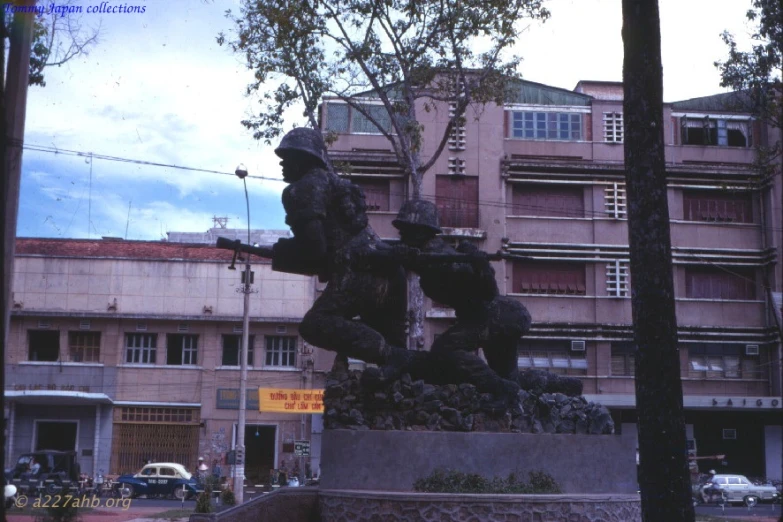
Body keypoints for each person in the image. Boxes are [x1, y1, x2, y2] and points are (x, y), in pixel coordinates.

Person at [390, 199, 581, 396]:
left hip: (495, 317)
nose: (401, 236)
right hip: (493, 316)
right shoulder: (425, 256)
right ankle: (563, 384)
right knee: (510, 375)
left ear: (420, 231)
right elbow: (411, 261)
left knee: (445, 349)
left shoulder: (444, 260)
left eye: (405, 231)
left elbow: (489, 293)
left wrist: (481, 267)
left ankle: (500, 389)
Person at [268, 127, 409, 369]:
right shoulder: (337, 183)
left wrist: (284, 253)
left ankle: (387, 353)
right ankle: (397, 362)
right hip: (387, 270)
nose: (282, 165)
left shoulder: (301, 189)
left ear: (303, 160)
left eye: (287, 159)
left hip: (359, 269)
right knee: (395, 352)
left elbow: (315, 249)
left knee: (315, 325)